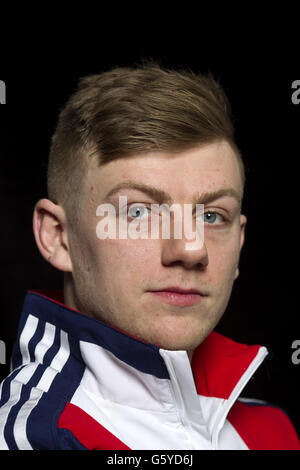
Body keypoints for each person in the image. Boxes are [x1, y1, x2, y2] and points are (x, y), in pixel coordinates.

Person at [0, 61, 299, 451]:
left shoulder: (271, 430)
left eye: (211, 215)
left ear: (239, 243)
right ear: (59, 237)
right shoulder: (36, 437)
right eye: (139, 212)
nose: (191, 249)